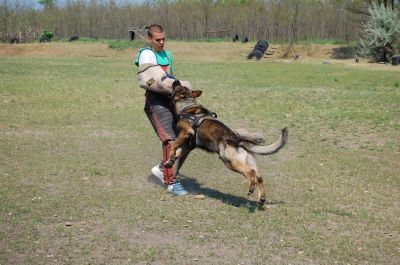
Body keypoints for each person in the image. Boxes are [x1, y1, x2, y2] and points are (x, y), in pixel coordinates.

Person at [134, 24, 191, 196]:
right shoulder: (146, 54)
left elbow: (169, 78)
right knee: (170, 140)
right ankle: (171, 182)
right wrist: (173, 86)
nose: (161, 42)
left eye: (163, 39)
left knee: (185, 138)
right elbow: (151, 81)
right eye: (157, 39)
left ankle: (161, 169)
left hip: (170, 100)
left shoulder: (167, 55)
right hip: (155, 101)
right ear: (149, 39)